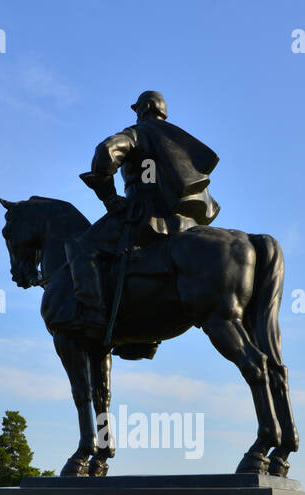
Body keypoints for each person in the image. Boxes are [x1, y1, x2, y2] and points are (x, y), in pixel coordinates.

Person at [67, 91, 221, 335]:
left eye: (137, 110)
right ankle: (144, 336)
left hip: (143, 214)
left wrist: (107, 194)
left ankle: (93, 316)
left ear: (144, 109)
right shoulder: (178, 139)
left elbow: (106, 152)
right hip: (183, 221)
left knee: (81, 247)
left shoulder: (137, 133)